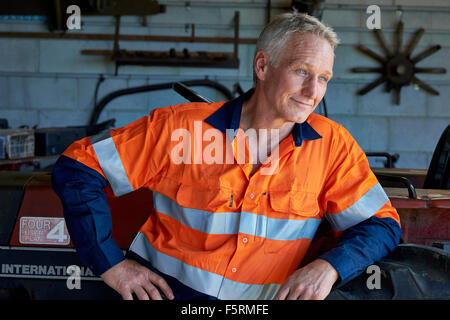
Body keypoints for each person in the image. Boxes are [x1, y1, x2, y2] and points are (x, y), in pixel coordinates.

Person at [52, 12, 401, 300]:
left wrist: (329, 267)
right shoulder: (180, 128)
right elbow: (77, 167)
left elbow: (381, 224)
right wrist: (110, 263)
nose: (313, 92)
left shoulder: (333, 146)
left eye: (324, 78)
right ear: (262, 67)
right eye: (301, 72)